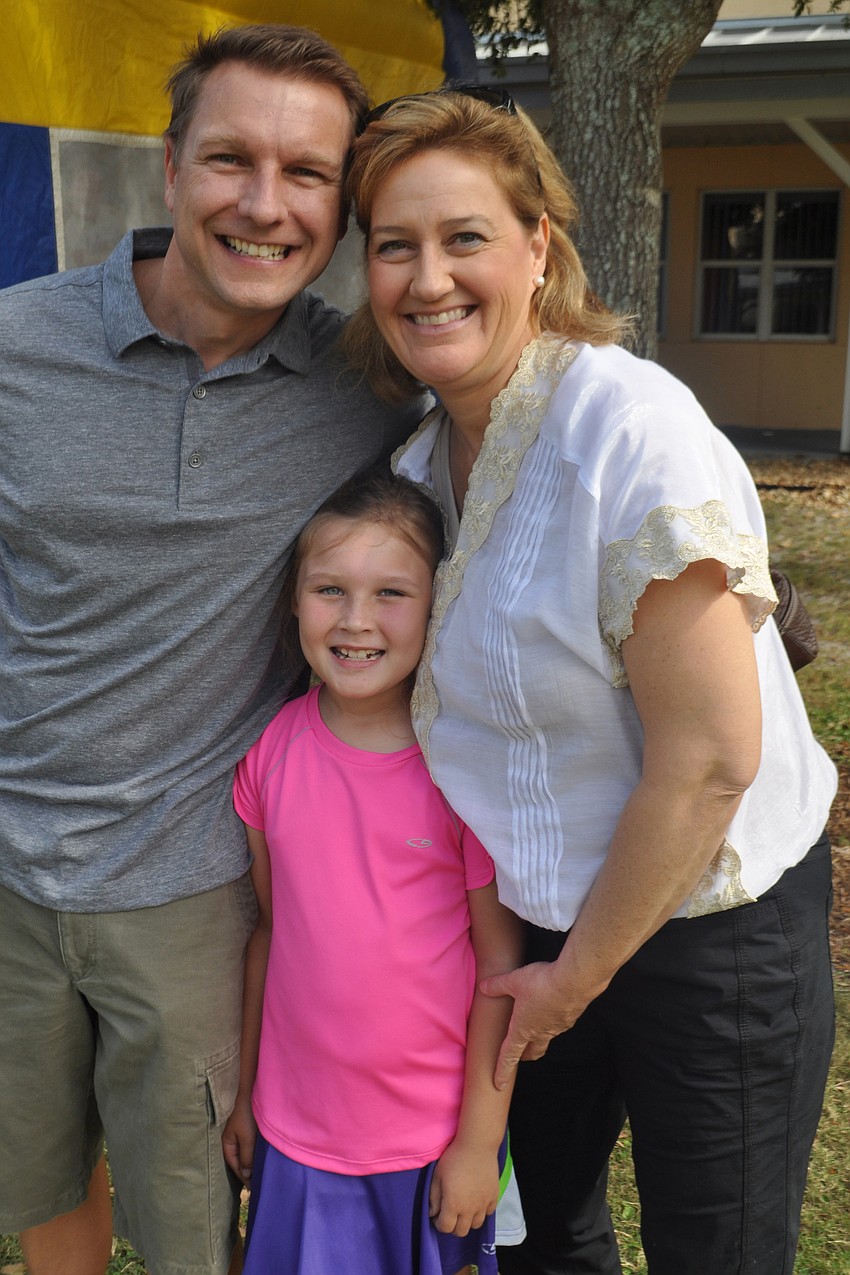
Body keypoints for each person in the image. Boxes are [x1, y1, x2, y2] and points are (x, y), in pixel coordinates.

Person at [342, 86, 838, 1274]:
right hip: (531, 927)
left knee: (713, 1251)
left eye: (464, 238)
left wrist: (577, 978)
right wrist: (532, 965)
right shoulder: (419, 455)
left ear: (537, 247)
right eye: (394, 246)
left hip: (706, 927)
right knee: (542, 1236)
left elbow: (712, 758)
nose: (427, 279)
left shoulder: (628, 429)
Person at [0, 25, 425, 1275]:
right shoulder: (17, 349)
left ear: (341, 205)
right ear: (171, 166)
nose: (263, 203)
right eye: (230, 159)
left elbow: (519, 454)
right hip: (8, 870)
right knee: (36, 1175)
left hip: (196, 889)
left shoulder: (367, 380)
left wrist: (727, 588)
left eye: (306, 174)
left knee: (191, 1217)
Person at [220, 470, 524, 1275]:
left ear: (436, 604)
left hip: (427, 1146)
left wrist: (478, 1140)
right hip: (297, 1134)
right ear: (293, 600)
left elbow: (499, 969)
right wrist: (250, 1095)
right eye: (330, 589)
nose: (356, 620)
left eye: (391, 592)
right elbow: (273, 935)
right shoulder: (269, 754)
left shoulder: (460, 773)